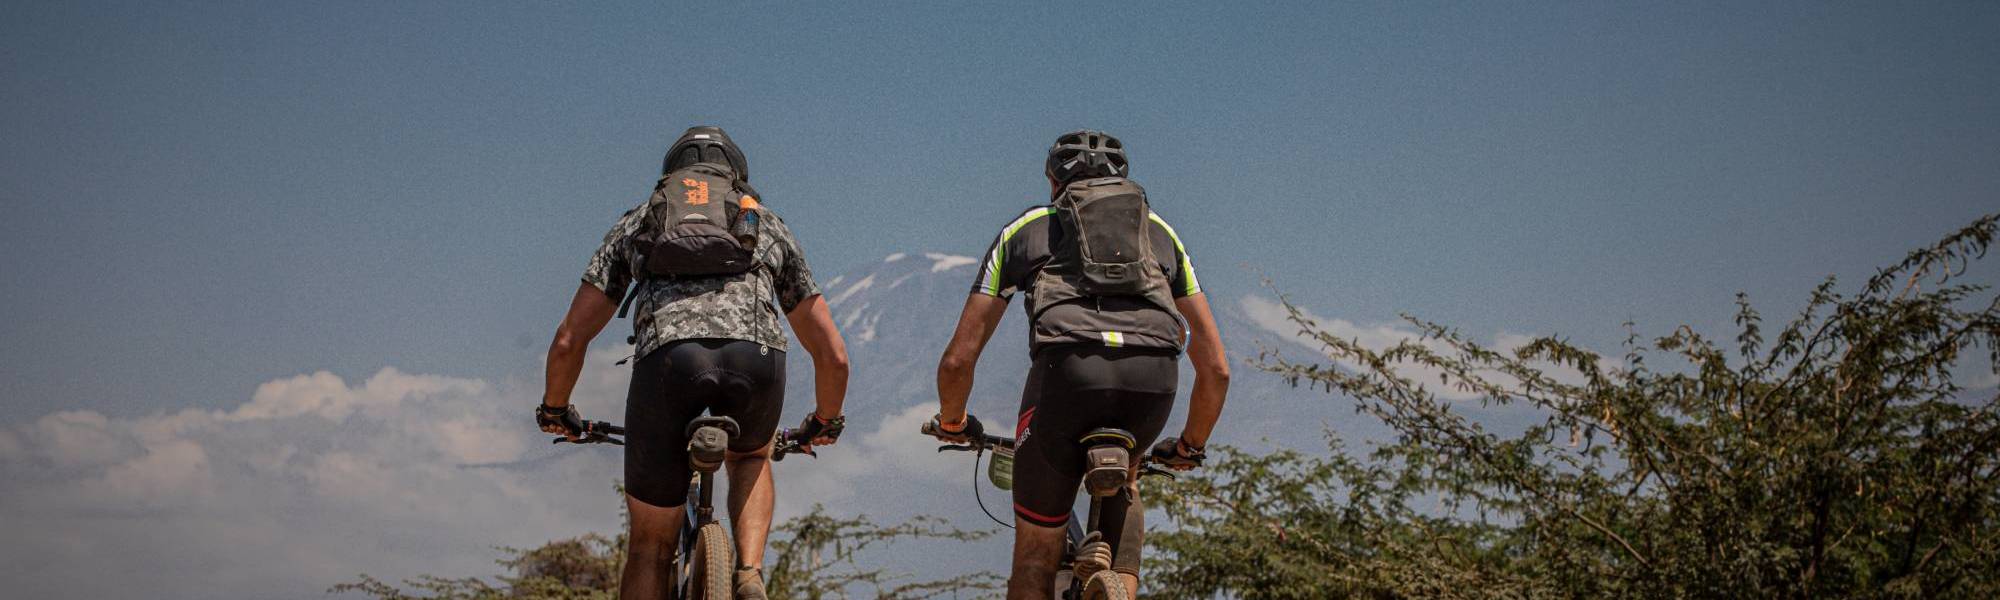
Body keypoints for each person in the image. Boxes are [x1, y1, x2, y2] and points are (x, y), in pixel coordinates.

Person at [537, 125, 849, 600]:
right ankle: (747, 574)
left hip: (668, 363)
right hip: (756, 360)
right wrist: (825, 420)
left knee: (649, 546)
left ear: (672, 177)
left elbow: (568, 340)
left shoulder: (639, 222)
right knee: (751, 457)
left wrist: (555, 409)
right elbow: (832, 353)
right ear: (737, 176)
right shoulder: (766, 223)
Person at [928, 130, 1230, 599]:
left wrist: (953, 422)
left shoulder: (1027, 229)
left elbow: (957, 360)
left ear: (1053, 182)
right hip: (1152, 385)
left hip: (1067, 380)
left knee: (1034, 553)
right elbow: (1215, 368)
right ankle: (1121, 588)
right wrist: (1190, 446)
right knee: (1127, 474)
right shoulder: (1162, 234)